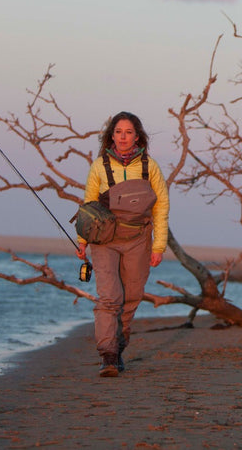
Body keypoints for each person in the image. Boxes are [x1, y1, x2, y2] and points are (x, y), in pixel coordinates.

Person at [76, 111, 170, 377]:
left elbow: (161, 206)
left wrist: (159, 246)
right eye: (118, 132)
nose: (123, 137)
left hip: (139, 239)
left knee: (131, 298)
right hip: (104, 239)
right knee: (109, 297)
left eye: (128, 132)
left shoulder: (150, 166)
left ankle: (118, 349)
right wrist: (82, 241)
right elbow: (88, 205)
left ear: (137, 136)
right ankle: (107, 357)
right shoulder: (99, 166)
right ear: (112, 135)